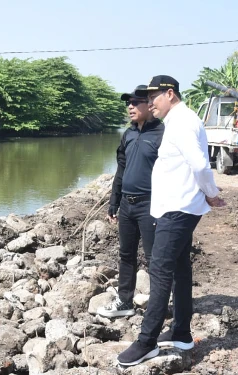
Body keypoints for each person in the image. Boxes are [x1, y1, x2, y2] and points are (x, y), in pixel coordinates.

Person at [117, 75, 226, 366]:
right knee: (179, 268)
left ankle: (147, 341)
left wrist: (212, 195)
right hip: (176, 207)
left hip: (178, 210)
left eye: (154, 98)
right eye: (147, 99)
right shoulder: (179, 121)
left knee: (160, 269)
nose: (149, 103)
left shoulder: (180, 122)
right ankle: (181, 332)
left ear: (170, 94)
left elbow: (201, 165)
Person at [97, 85, 164, 318]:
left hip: (151, 205)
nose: (130, 107)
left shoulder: (163, 133)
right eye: (128, 103)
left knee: (154, 257)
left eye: (135, 103)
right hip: (127, 204)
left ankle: (159, 306)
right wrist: (113, 203)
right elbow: (121, 169)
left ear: (150, 105)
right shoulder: (129, 133)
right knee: (126, 254)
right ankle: (124, 302)